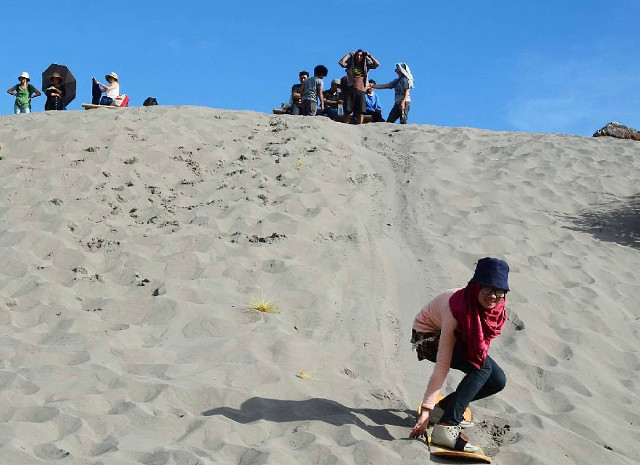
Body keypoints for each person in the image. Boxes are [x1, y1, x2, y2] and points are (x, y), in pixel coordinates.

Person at [409, 257, 509, 453]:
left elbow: (480, 343)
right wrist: (426, 410)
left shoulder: (496, 309)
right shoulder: (457, 308)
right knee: (482, 368)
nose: (493, 296)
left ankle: (444, 410)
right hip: (428, 336)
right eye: (486, 289)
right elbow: (442, 365)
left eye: (499, 291)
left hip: (459, 336)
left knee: (497, 380)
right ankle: (447, 426)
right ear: (475, 287)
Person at [338, 49, 379, 124]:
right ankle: (346, 124)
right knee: (347, 110)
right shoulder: (351, 63)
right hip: (350, 88)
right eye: (357, 55)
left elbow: (377, 64)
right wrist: (349, 55)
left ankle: (360, 125)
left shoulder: (366, 65)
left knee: (361, 111)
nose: (359, 57)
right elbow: (341, 63)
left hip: (361, 90)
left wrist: (369, 55)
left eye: (361, 56)